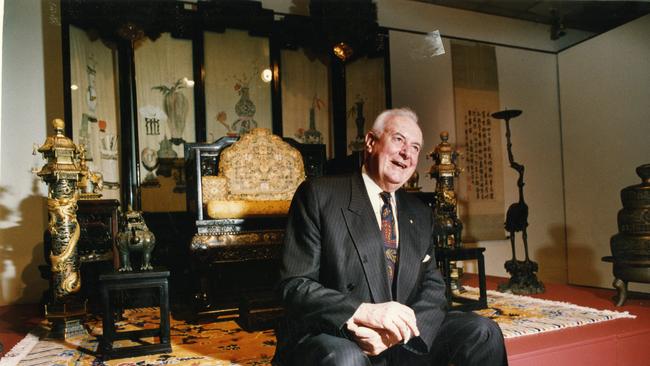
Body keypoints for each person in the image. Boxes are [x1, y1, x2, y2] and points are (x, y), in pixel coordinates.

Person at [273, 108, 507, 366]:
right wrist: (363, 313)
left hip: (399, 339)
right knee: (347, 358)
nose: (407, 153)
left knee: (482, 332)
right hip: (336, 332)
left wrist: (396, 336)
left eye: (416, 147)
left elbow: (434, 287)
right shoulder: (320, 196)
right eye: (399, 139)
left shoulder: (419, 212)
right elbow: (294, 285)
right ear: (371, 143)